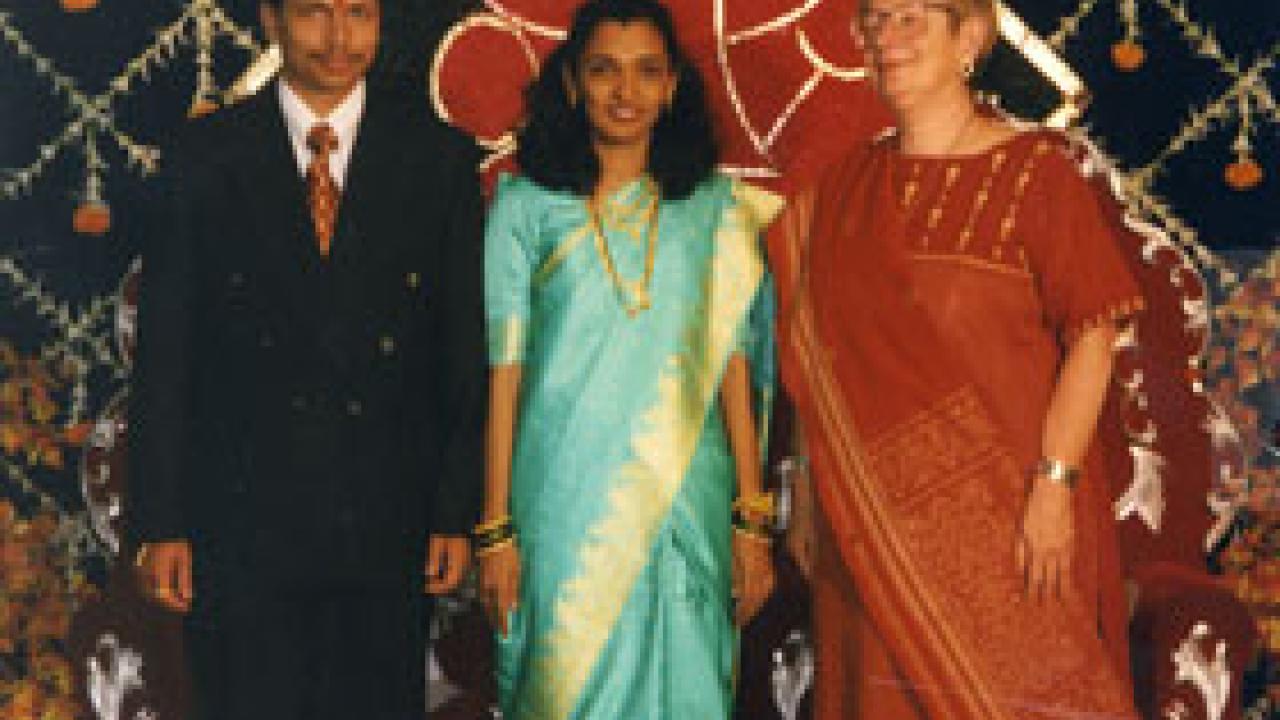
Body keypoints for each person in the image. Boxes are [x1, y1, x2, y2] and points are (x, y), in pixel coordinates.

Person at [770, 1, 1143, 718]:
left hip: (1011, 521)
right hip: (870, 524)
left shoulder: (1037, 173)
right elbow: (819, 363)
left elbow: (1093, 338)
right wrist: (809, 487)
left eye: (911, 19)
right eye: (875, 21)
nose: (887, 39)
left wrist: (1054, 487)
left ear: (968, 36)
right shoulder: (841, 191)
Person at [125, 0, 485, 717]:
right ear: (272, 20)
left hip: (387, 523)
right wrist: (161, 524)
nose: (339, 38)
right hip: (241, 526)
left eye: (358, 13)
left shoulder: (437, 159)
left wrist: (453, 509)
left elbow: (461, 350)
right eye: (315, 12)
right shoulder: (205, 157)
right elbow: (165, 354)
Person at [476, 1, 779, 717]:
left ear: (671, 86)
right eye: (604, 71)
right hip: (561, 502)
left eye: (647, 72)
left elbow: (732, 366)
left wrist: (750, 520)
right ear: (573, 84)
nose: (625, 92)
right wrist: (495, 529)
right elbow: (503, 375)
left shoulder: (712, 209)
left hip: (686, 496)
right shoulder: (524, 207)